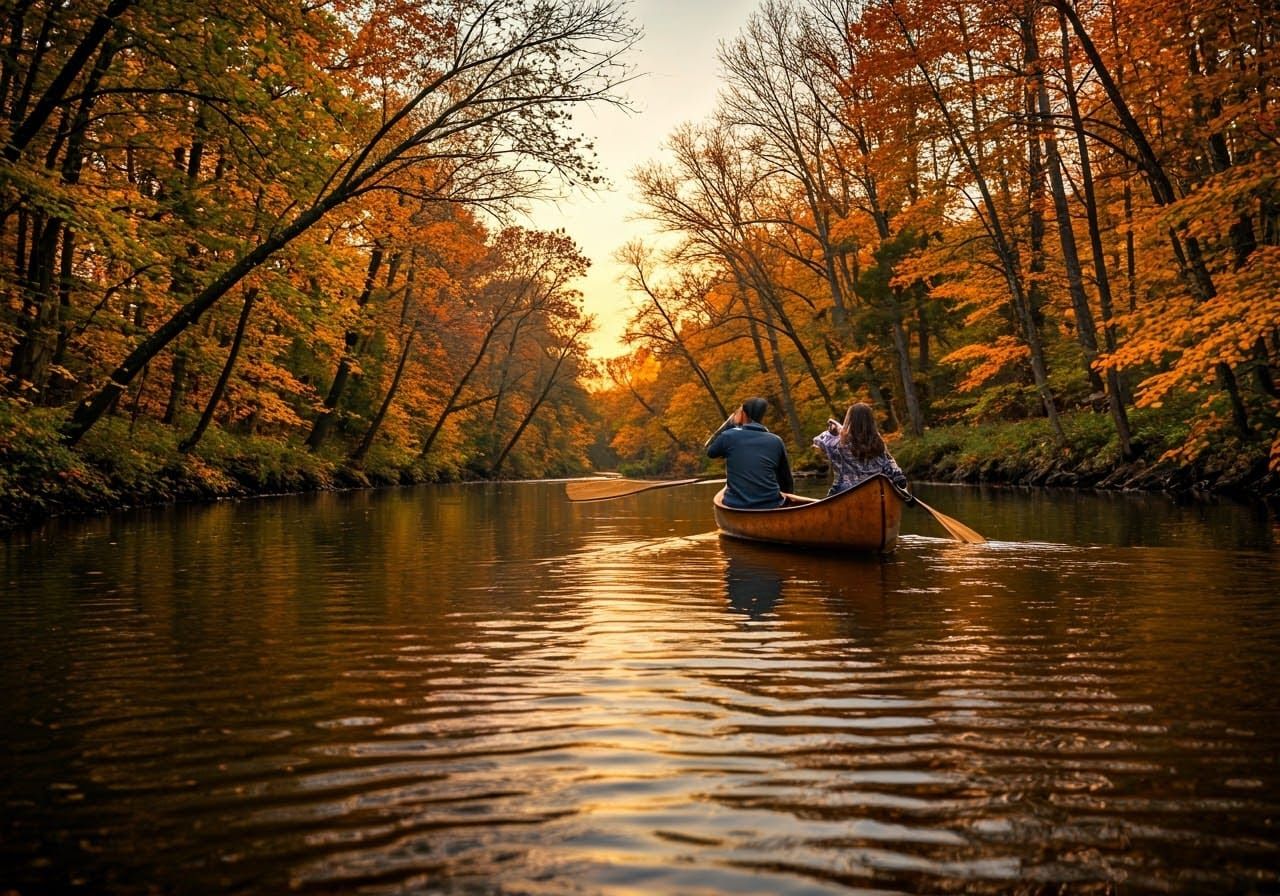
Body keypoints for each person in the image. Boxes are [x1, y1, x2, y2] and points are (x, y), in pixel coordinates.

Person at [705, 397, 795, 508]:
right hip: (771, 504)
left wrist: (729, 423)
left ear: (743, 414)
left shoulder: (729, 436)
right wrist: (786, 505)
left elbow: (709, 451)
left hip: (736, 506)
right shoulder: (776, 440)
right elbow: (786, 479)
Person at [813, 402, 909, 496]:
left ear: (850, 420)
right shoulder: (878, 443)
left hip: (846, 493)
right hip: (876, 493)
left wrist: (833, 432)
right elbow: (889, 466)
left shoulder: (838, 444)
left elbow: (817, 441)